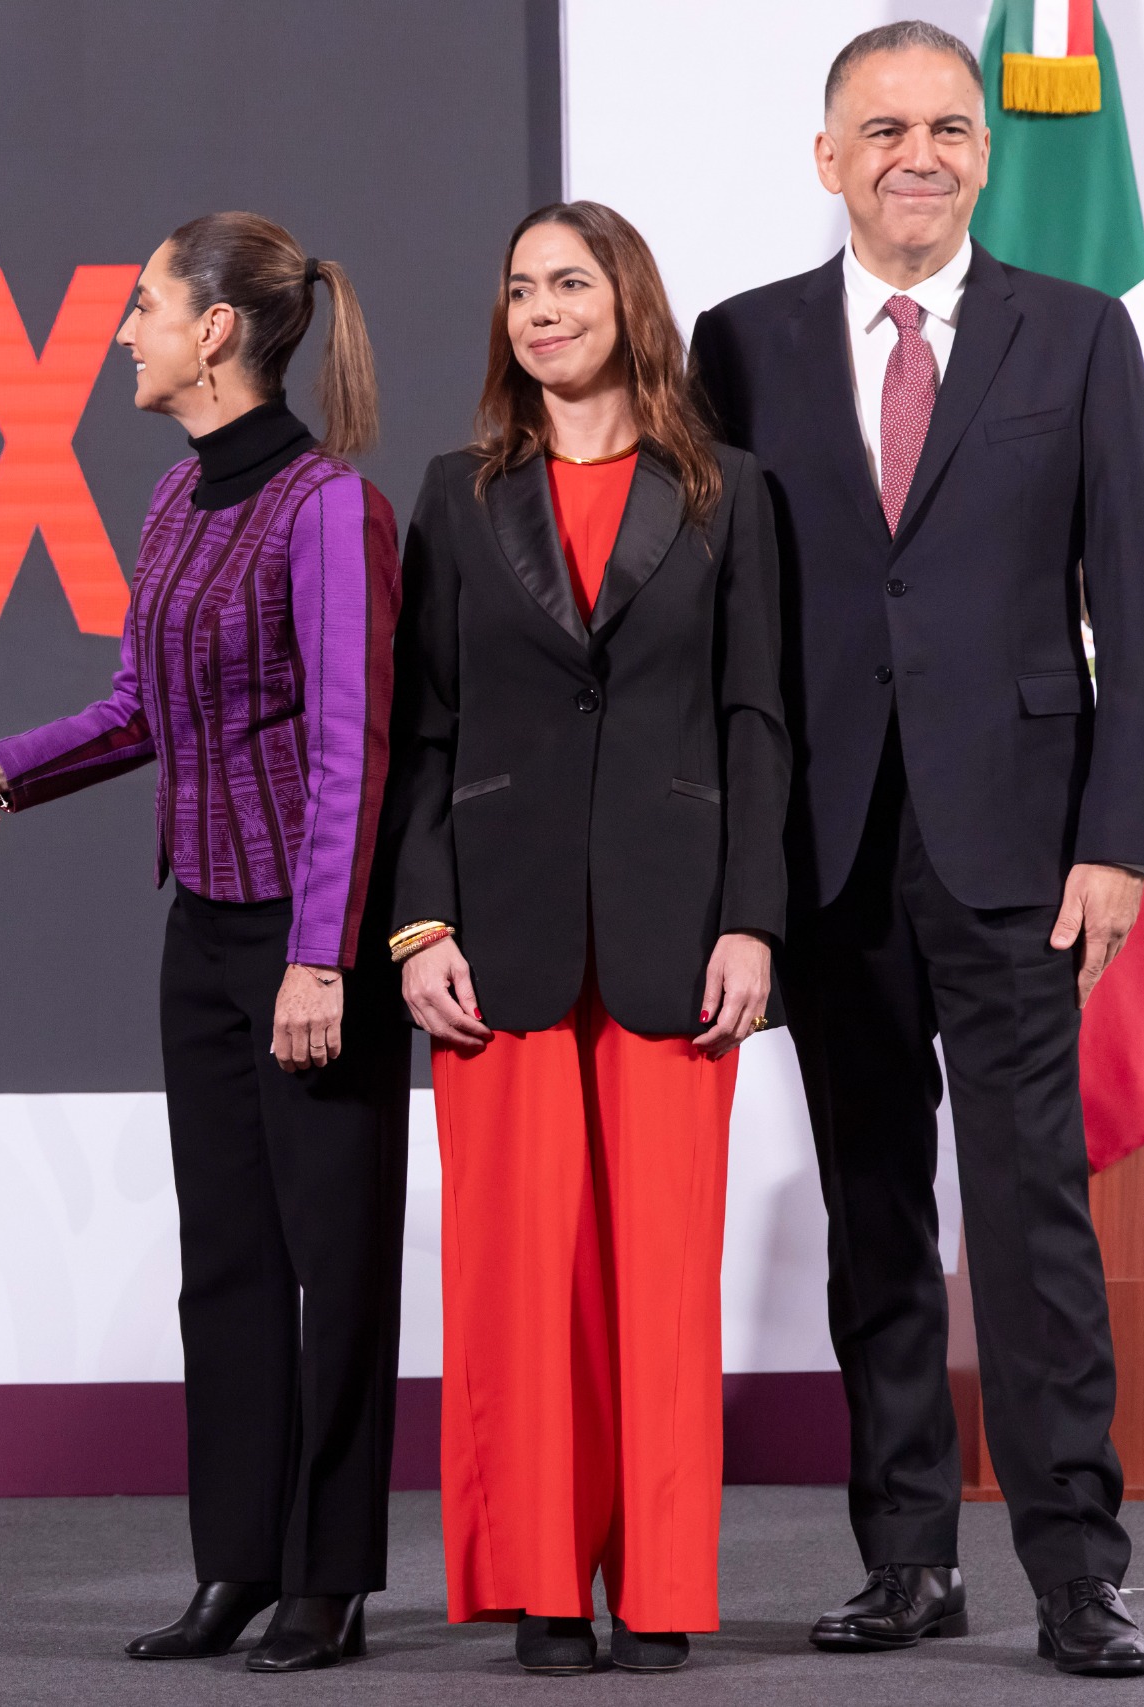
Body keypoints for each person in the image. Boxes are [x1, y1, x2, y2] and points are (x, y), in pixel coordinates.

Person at [691, 21, 1144, 1679]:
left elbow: (1132, 596)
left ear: (985, 152)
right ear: (827, 157)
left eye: (949, 128)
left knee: (1032, 1220)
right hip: (825, 850)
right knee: (875, 1214)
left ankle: (1078, 1573)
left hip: (1024, 852)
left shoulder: (1081, 332)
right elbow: (717, 615)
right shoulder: (739, 343)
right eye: (884, 128)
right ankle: (906, 1561)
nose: (919, 154)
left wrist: (1120, 840)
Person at [0, 213, 405, 1675]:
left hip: (307, 946)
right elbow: (139, 706)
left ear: (216, 331)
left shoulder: (331, 508)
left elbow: (356, 747)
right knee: (229, 1262)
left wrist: (320, 957)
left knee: (337, 1265)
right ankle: (236, 1566)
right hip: (201, 930)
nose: (122, 331)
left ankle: (330, 1578)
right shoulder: (176, 497)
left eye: (142, 306)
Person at [385, 202, 786, 1676]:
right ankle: (545, 1584)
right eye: (519, 290)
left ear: (629, 305)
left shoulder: (730, 490)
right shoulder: (456, 494)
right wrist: (417, 925)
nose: (541, 310)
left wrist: (753, 921)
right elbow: (422, 733)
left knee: (663, 1279)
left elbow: (757, 720)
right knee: (514, 1277)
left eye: (568, 283)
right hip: (497, 936)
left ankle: (662, 1585)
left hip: (679, 932)